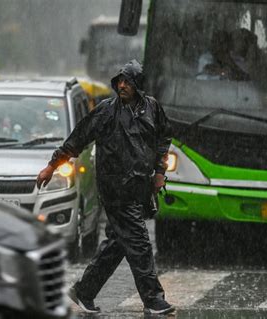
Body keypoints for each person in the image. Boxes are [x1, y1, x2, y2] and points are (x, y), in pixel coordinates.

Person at [36, 60, 174, 315]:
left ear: (137, 85)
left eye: (127, 82)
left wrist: (160, 173)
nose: (122, 86)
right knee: (140, 242)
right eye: (119, 81)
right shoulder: (106, 112)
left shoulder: (152, 108)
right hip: (115, 190)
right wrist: (52, 166)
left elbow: (164, 137)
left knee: (119, 243)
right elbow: (77, 139)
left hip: (139, 188)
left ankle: (84, 291)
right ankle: (153, 299)